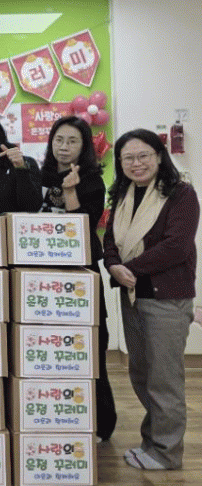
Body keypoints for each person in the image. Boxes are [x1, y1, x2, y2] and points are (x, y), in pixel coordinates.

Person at [103, 129, 198, 470]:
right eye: (128, 158)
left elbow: (176, 246)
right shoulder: (123, 194)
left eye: (143, 155)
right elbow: (110, 239)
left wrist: (128, 269)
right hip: (133, 297)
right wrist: (113, 265)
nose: (136, 163)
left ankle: (167, 453)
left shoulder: (181, 193)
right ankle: (152, 442)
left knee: (164, 380)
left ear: (159, 156)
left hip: (167, 299)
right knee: (142, 375)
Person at [41, 116, 117, 441]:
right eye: (59, 139)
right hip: (43, 273)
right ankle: (58, 418)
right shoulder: (40, 175)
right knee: (52, 349)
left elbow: (82, 230)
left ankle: (102, 424)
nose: (64, 147)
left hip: (80, 272)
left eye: (72, 141)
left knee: (90, 348)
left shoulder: (92, 181)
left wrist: (70, 191)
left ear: (84, 146)